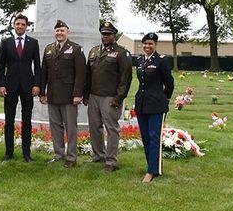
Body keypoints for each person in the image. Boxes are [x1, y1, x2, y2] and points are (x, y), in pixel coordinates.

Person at [84, 21, 132, 172]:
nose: (105, 37)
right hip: (93, 96)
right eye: (103, 34)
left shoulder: (122, 53)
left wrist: (119, 98)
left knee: (111, 129)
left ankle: (111, 161)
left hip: (110, 97)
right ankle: (99, 155)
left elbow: (126, 79)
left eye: (108, 34)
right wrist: (86, 95)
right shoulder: (93, 51)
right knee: (94, 127)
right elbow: (88, 76)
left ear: (114, 35)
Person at [40, 20, 86, 168]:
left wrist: (78, 94)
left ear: (68, 32)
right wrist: (42, 92)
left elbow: (81, 74)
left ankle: (71, 157)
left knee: (70, 127)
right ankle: (59, 153)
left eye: (62, 30)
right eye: (57, 31)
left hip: (69, 96)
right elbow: (43, 73)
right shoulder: (48, 49)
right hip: (53, 95)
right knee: (55, 126)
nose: (59, 33)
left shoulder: (76, 49)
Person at [0, 13, 41, 162]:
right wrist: (1, 85)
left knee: (27, 121)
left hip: (28, 86)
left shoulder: (33, 43)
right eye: (18, 24)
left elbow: (37, 66)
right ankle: (8, 152)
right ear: (14, 25)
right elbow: (1, 65)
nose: (20, 26)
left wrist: (37, 84)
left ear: (26, 26)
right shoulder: (6, 43)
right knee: (9, 121)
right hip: (10, 86)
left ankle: (26, 153)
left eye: (23, 24)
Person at [134, 32, 174, 183]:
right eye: (145, 43)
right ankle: (151, 166)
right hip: (142, 104)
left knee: (154, 137)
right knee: (145, 137)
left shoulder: (161, 61)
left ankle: (152, 171)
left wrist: (165, 98)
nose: (147, 46)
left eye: (150, 43)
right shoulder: (139, 60)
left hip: (157, 105)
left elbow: (169, 82)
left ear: (155, 45)